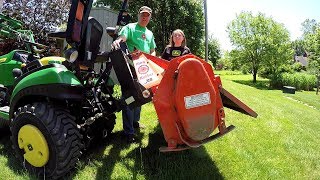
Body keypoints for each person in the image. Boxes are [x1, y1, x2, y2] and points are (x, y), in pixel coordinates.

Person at [112, 6, 156, 143]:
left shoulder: (149, 33)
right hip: (131, 68)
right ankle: (128, 132)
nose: (144, 17)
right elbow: (122, 37)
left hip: (145, 71)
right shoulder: (130, 27)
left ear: (150, 17)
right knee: (130, 99)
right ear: (138, 15)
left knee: (141, 97)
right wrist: (117, 41)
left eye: (147, 15)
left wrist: (152, 59)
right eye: (142, 14)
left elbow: (153, 50)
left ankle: (135, 123)